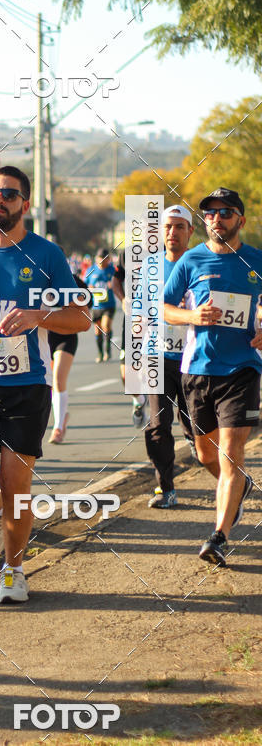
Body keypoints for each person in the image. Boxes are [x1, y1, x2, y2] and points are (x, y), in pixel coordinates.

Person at [0, 166, 90, 604]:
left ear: (25, 204)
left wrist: (38, 316)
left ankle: (14, 570)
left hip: (27, 384)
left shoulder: (46, 256)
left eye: (9, 194)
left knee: (16, 486)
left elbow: (81, 317)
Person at [164, 188, 262, 566]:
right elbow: (166, 309)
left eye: (225, 213)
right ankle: (238, 487)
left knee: (231, 455)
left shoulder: (255, 260)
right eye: (210, 214)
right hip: (197, 370)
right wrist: (193, 317)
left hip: (242, 369)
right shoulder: (191, 260)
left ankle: (218, 536)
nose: (216, 219)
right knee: (206, 454)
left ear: (240, 219)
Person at [146, 205, 195, 508]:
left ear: (190, 231)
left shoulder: (201, 262)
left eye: (179, 226)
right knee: (157, 426)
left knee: (198, 428)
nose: (172, 233)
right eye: (167, 227)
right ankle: (166, 489)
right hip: (157, 356)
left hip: (195, 358)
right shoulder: (149, 268)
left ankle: (227, 480)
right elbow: (136, 312)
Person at [48, 274, 92, 444]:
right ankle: (62, 413)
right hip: (45, 336)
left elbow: (89, 301)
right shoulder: (35, 278)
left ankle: (58, 428)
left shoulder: (71, 279)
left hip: (66, 335)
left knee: (59, 379)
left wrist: (71, 306)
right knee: (49, 382)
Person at [111, 251, 148, 427]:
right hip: (133, 319)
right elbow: (116, 279)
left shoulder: (168, 249)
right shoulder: (128, 253)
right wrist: (124, 299)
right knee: (127, 374)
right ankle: (139, 400)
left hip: (163, 318)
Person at [85, 247, 116, 362]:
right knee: (97, 330)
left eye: (105, 258)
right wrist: (90, 288)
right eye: (100, 258)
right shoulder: (91, 270)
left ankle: (108, 350)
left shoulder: (112, 270)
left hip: (109, 304)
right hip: (96, 305)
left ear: (108, 259)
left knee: (106, 325)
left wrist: (113, 284)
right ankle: (100, 353)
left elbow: (120, 281)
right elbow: (84, 284)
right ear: (96, 258)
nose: (102, 260)